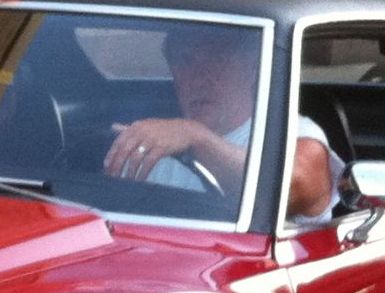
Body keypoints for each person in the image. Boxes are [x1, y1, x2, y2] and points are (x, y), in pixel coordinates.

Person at [103, 27, 342, 224]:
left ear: (253, 68)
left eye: (218, 59)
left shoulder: (295, 133)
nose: (199, 77)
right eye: (185, 61)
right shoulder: (150, 140)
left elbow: (285, 187)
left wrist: (197, 138)